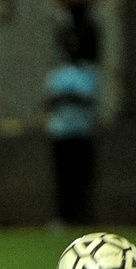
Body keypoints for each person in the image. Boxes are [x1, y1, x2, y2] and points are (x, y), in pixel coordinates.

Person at [45, 26, 100, 228]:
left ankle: (83, 217)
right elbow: (49, 101)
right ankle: (63, 217)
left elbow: (90, 99)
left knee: (82, 178)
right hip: (61, 132)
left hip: (83, 132)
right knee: (63, 178)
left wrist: (70, 96)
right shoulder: (57, 75)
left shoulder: (89, 72)